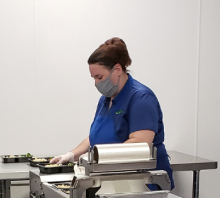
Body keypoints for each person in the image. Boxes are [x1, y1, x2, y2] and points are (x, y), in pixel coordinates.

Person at [51, 37, 174, 189]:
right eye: (94, 78)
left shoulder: (141, 98)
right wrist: (71, 155)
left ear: (117, 69)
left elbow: (140, 143)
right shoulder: (106, 99)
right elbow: (96, 136)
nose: (96, 83)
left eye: (99, 77)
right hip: (114, 180)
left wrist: (98, 157)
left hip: (142, 182)